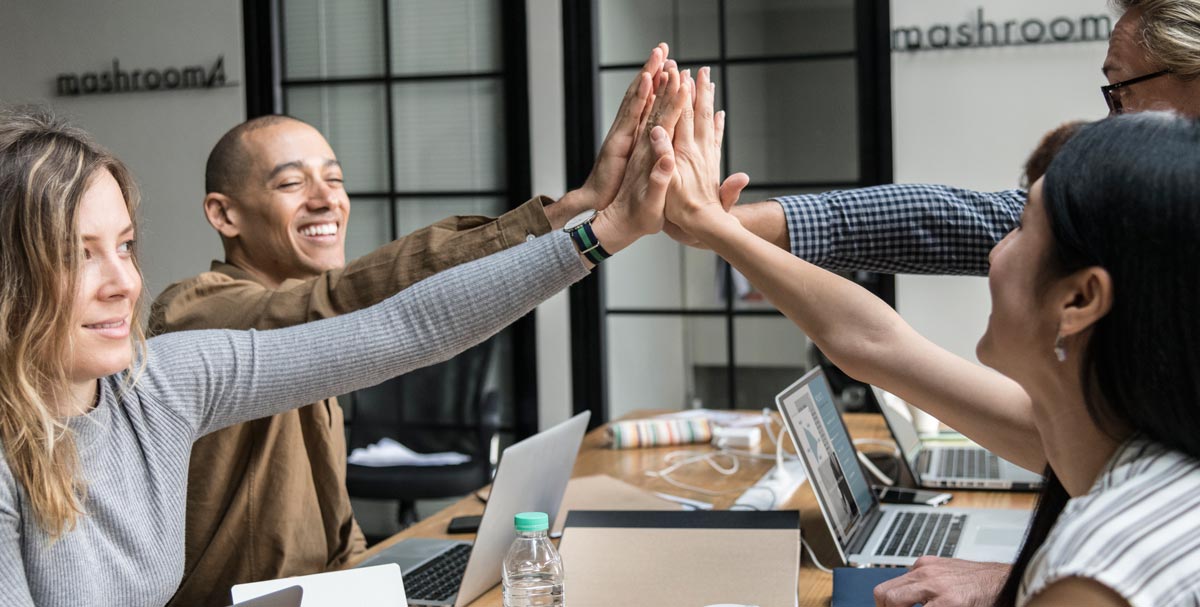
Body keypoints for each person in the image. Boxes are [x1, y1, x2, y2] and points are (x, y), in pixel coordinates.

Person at [0, 55, 696, 607]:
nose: (122, 281)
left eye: (124, 246)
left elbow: (409, 325)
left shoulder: (157, 385)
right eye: (75, 253)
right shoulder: (193, 314)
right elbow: (356, 301)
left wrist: (602, 231)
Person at [660, 1, 1200, 604]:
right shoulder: (1122, 448)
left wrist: (1032, 583)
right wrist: (718, 227)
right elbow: (876, 340)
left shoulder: (1104, 563)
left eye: (1022, 228)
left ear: (1082, 296)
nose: (993, 251)